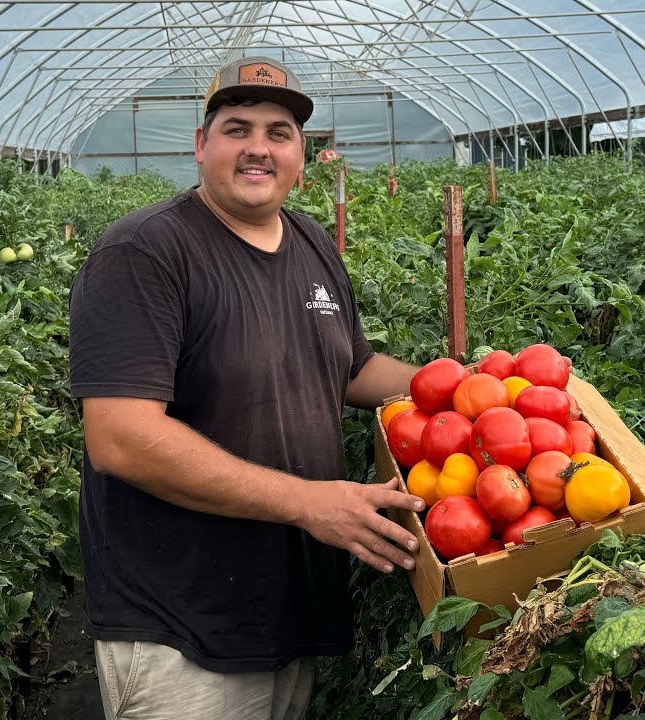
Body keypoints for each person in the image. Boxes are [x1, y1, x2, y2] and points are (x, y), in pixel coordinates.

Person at [68, 56, 424, 720]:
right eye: (237, 128)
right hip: (181, 622)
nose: (258, 147)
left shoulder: (312, 242)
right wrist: (309, 503)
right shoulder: (144, 253)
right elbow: (120, 439)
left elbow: (351, 370)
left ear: (302, 155)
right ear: (201, 145)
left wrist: (468, 385)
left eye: (278, 131)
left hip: (290, 610)